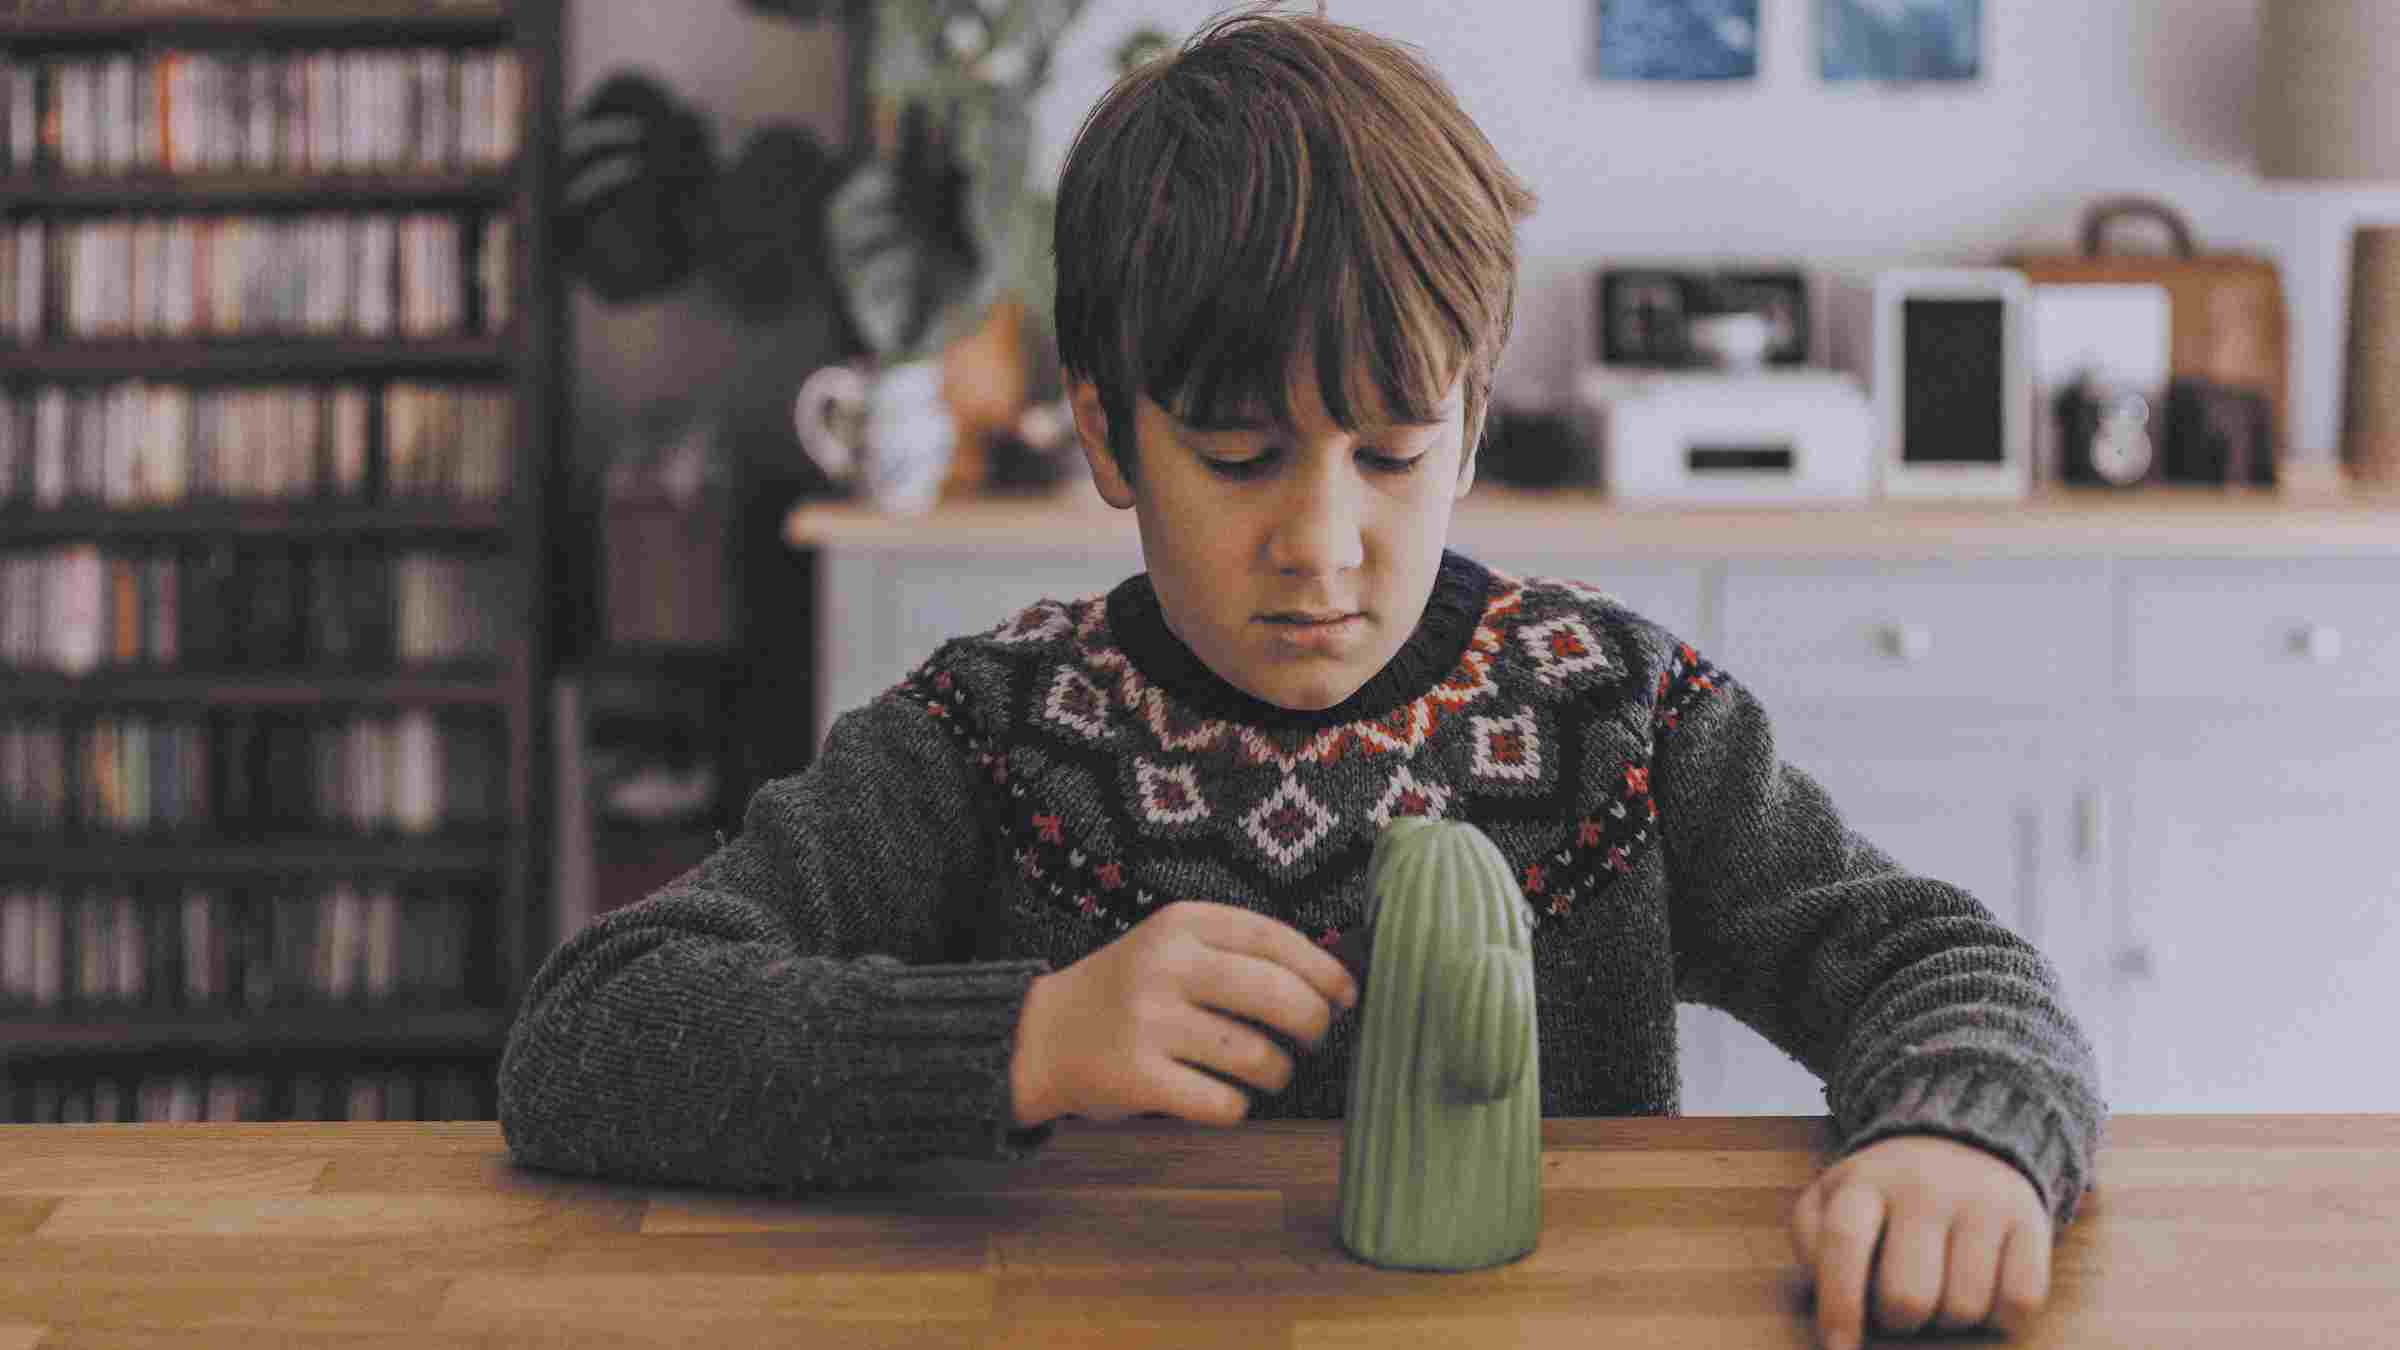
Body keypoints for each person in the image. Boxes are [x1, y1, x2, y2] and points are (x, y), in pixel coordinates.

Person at [498, 10, 2105, 1350]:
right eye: (1238, 455)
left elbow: (1943, 963)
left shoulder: (1616, 714)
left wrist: (1957, 1131)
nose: (1323, 546)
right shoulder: (993, 734)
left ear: (1470, 428)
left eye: (1391, 453)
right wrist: (1028, 1037)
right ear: (1110, 432)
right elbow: (591, 1030)